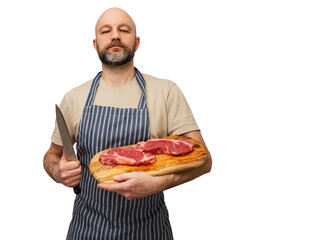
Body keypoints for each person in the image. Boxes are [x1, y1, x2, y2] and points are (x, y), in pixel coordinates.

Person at [43, 7, 212, 239]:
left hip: (149, 230)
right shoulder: (74, 98)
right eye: (106, 31)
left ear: (137, 42)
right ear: (95, 44)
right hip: (89, 230)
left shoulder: (166, 92)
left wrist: (158, 183)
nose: (115, 36)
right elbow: (52, 155)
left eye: (124, 30)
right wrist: (58, 171)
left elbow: (204, 160)